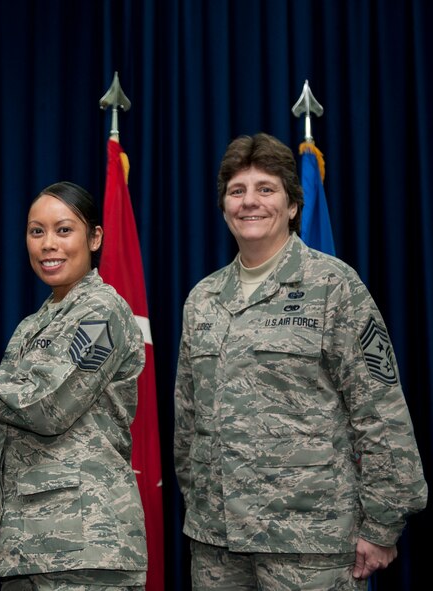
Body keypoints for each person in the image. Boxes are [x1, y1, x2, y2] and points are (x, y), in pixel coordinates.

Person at [173, 132, 428, 590]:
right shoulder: (203, 299)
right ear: (224, 206)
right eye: (237, 191)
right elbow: (188, 421)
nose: (250, 202)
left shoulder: (334, 286)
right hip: (217, 545)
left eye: (265, 189)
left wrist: (382, 523)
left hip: (310, 542)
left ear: (292, 206)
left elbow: (380, 411)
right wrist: (201, 503)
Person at [0, 181, 149, 589]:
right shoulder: (31, 326)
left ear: (94, 237)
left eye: (64, 230)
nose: (48, 244)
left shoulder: (102, 312)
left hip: (86, 548)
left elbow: (45, 407)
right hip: (25, 549)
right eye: (37, 232)